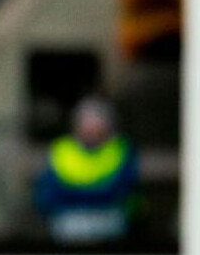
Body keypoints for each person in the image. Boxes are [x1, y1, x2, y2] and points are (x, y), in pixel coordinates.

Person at [35, 97, 138, 244]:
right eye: (87, 125)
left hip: (109, 220)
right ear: (76, 126)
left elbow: (123, 191)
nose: (92, 130)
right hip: (69, 221)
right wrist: (96, 195)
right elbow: (47, 196)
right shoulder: (62, 150)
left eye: (97, 126)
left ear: (108, 127)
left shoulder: (120, 150)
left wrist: (76, 196)